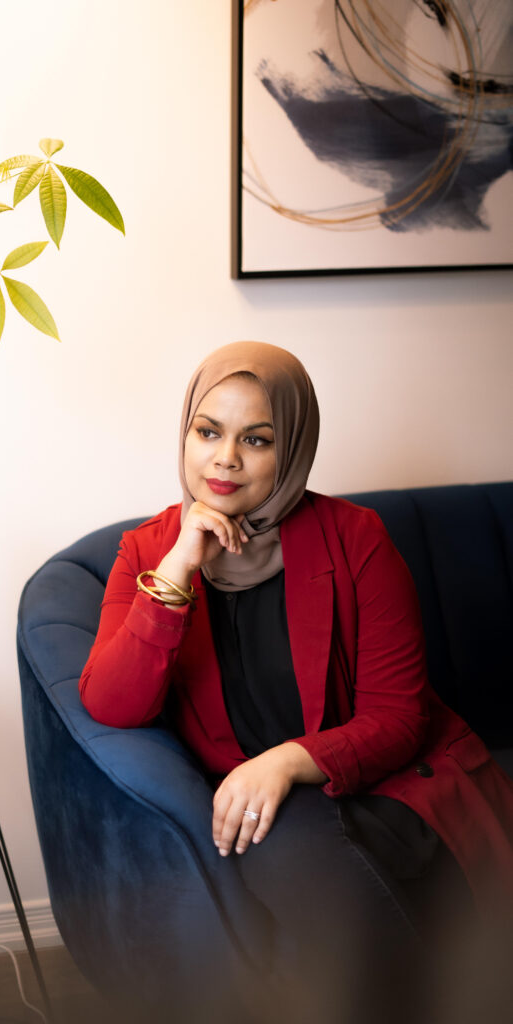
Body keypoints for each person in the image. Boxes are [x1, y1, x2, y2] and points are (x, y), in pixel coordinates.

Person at [79, 342, 513, 1023]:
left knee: (318, 883)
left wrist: (285, 761)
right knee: (286, 853)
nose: (224, 458)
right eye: (207, 432)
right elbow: (111, 703)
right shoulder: (149, 550)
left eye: (256, 439)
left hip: (385, 782)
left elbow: (398, 718)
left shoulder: (356, 537)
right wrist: (180, 567)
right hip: (267, 807)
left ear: (293, 448)